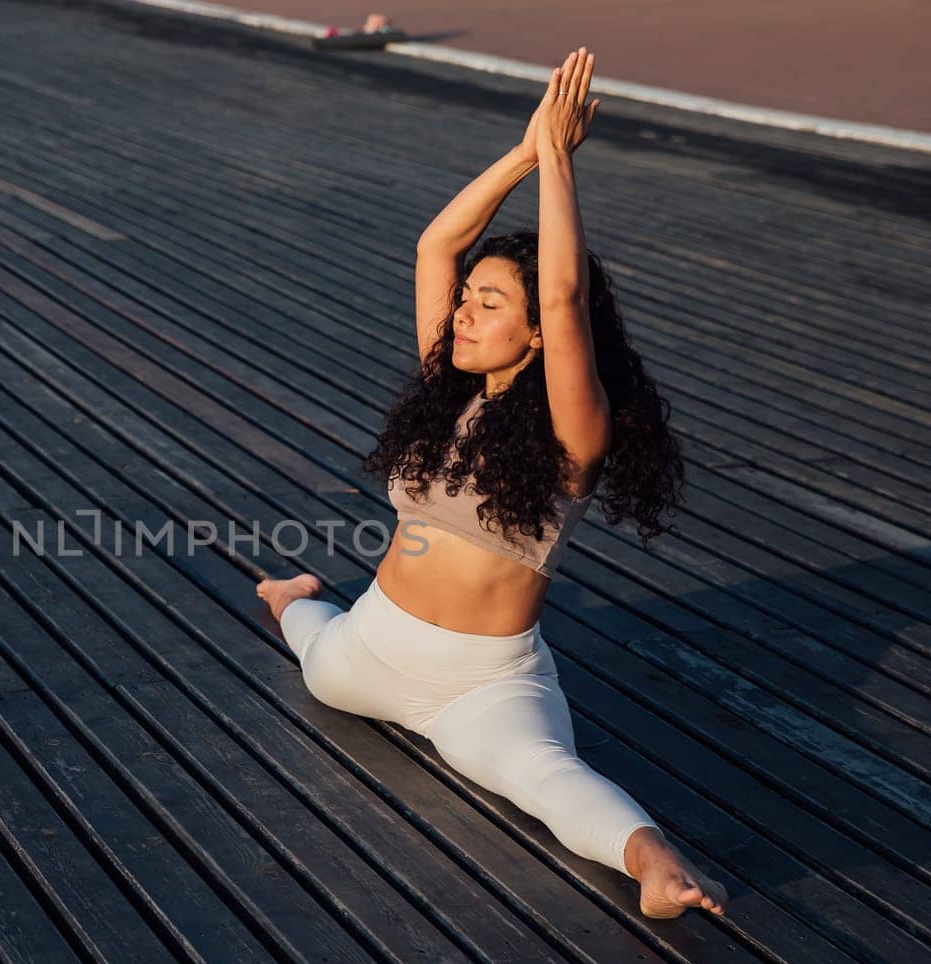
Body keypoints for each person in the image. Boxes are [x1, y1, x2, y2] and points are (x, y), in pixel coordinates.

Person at [257, 48, 727, 919]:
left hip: (483, 684)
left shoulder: (570, 432)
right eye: (466, 299)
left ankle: (656, 861)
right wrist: (521, 150)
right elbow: (437, 243)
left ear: (539, 335)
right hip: (371, 645)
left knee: (542, 778)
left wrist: (559, 158)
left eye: (489, 304)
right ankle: (291, 595)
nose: (464, 311)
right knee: (317, 652)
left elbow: (562, 293)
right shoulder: (451, 388)